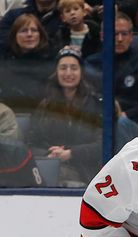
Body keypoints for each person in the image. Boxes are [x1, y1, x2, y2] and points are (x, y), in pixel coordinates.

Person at [27, 45, 101, 186]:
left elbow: (103, 145)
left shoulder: (95, 105)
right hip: (50, 170)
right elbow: (31, 142)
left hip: (85, 174)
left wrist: (71, 153)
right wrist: (49, 155)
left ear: (81, 72)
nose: (68, 73)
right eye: (63, 68)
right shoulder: (45, 105)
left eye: (73, 68)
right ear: (56, 71)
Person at [84, 12, 138, 132]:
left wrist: (128, 114)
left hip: (137, 124)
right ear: (102, 36)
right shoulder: (91, 64)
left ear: (131, 36)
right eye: (114, 34)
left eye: (124, 34)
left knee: (119, 123)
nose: (120, 39)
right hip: (99, 124)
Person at [0, 13, 54, 114]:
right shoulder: (4, 61)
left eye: (34, 30)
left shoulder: (52, 60)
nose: (29, 34)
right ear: (14, 35)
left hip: (44, 114)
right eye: (23, 31)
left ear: (40, 34)